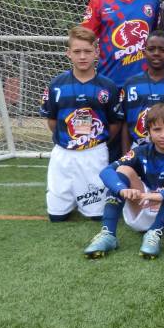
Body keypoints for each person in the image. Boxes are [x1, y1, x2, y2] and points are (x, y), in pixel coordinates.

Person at [83, 103, 164, 259]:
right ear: (149, 132)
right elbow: (106, 172)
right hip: (145, 208)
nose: (163, 135)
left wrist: (163, 195)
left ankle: (155, 232)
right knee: (123, 170)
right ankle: (108, 234)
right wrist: (122, 189)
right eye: (157, 130)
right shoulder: (140, 151)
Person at [40, 26, 122, 221]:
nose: (82, 56)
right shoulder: (57, 85)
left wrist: (94, 142)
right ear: (68, 53)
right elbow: (52, 121)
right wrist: (70, 139)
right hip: (63, 154)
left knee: (96, 216)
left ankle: (90, 201)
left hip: (94, 153)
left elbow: (114, 123)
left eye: (87, 51)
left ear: (97, 52)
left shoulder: (108, 86)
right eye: (77, 51)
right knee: (57, 217)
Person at [80, 0, 160, 86]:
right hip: (108, 80)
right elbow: (84, 40)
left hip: (145, 81)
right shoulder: (99, 1)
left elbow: (158, 36)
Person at [119, 30, 164, 152]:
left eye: (162, 50)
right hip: (138, 149)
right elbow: (125, 122)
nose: (156, 53)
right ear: (143, 53)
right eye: (151, 49)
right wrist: (125, 154)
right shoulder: (131, 84)